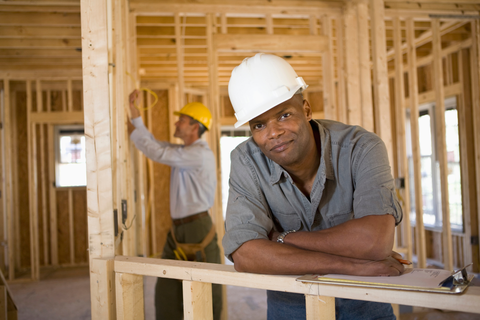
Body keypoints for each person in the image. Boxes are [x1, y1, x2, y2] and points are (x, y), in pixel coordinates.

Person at [222, 53, 405, 320]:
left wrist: (280, 239)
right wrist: (349, 265)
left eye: (284, 115)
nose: (273, 133)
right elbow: (246, 256)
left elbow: (375, 242)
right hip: (290, 309)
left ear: (306, 110)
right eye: (259, 125)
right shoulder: (246, 160)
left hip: (366, 305)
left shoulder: (360, 147)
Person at [127, 89, 222, 320]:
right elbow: (157, 145)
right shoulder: (186, 151)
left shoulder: (199, 154)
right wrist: (135, 117)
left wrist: (132, 131)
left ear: (194, 127)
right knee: (166, 293)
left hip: (197, 228)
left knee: (204, 294)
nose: (177, 122)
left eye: (182, 120)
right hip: (179, 229)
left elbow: (157, 152)